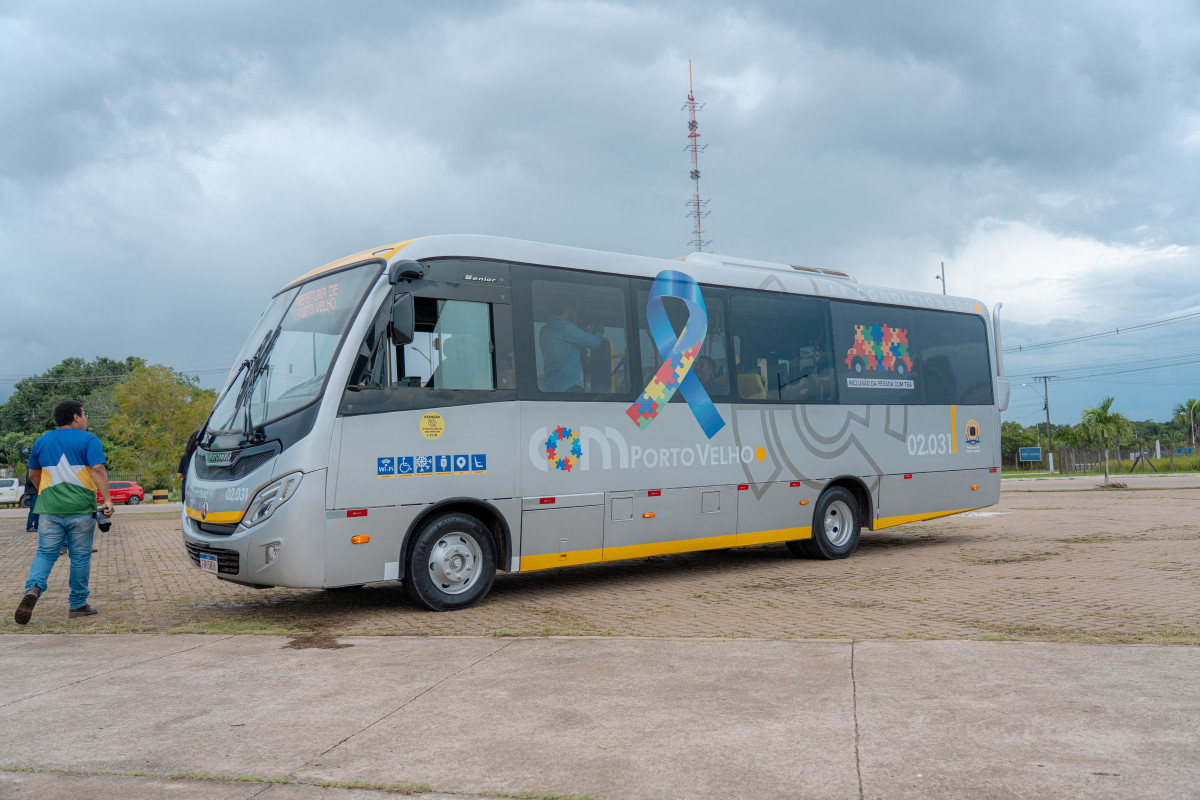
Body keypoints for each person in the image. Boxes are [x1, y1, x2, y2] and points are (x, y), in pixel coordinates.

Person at [14, 400, 113, 625]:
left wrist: (48, 493)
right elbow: (98, 469)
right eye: (85, 414)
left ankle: (34, 588)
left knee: (46, 553)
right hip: (80, 509)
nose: (86, 418)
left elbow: (33, 475)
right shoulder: (89, 440)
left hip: (49, 509)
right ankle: (78, 604)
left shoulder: (41, 441)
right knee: (79, 557)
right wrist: (107, 499)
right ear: (76, 417)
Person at [539, 301, 603, 392]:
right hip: (570, 387)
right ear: (566, 309)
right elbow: (595, 343)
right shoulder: (566, 327)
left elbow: (564, 349)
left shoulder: (544, 330)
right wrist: (599, 332)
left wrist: (585, 335)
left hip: (552, 388)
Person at [177, 429, 201, 496]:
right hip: (199, 487)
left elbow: (179, 475)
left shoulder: (185, 456)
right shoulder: (202, 456)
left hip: (186, 485)